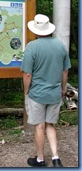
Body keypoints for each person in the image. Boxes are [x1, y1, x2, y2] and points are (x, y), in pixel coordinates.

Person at [21, 14, 71, 168]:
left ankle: (40, 160)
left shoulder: (32, 47)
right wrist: (63, 89)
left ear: (36, 30)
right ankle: (56, 159)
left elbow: (27, 74)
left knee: (39, 126)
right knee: (50, 125)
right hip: (55, 93)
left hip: (37, 94)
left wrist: (26, 92)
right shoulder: (60, 45)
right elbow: (64, 71)